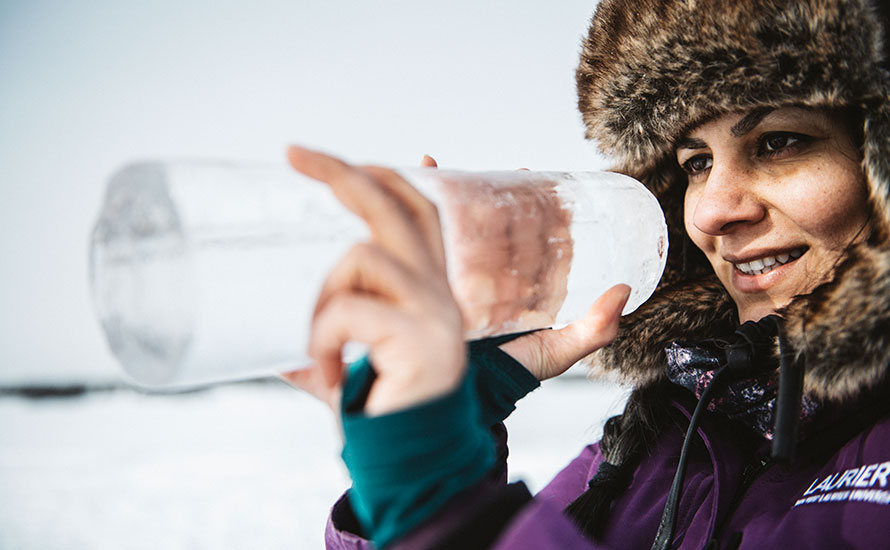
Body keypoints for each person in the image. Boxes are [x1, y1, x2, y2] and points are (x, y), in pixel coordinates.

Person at [284, 0, 890, 548]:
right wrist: (454, 429)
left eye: (779, 141)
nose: (711, 210)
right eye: (697, 163)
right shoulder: (656, 439)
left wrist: (440, 509)